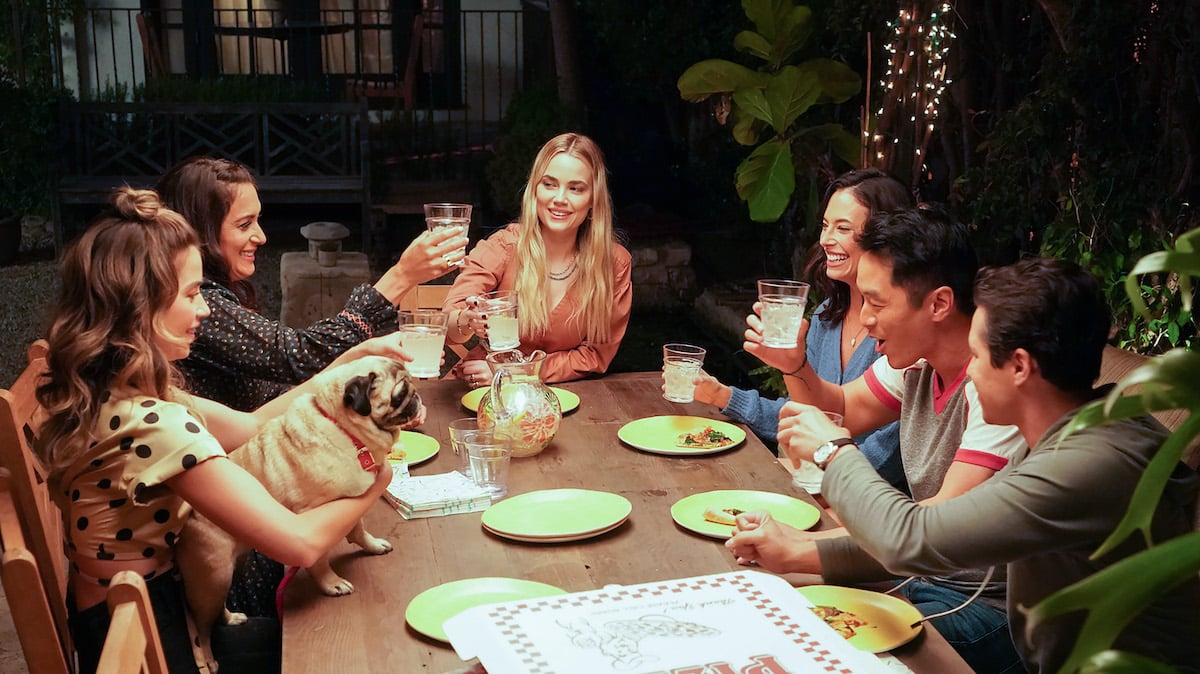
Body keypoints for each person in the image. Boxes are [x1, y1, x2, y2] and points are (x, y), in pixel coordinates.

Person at [728, 257, 1200, 673]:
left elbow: (911, 538)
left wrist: (834, 452)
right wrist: (794, 551)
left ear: (1019, 366)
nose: (969, 372)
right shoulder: (1078, 432)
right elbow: (932, 532)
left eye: (976, 356)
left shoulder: (1087, 463)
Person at [35, 188, 405, 673]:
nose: (207, 310)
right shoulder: (158, 428)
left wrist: (340, 371)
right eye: (192, 295)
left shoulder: (117, 390)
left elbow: (252, 424)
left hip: (106, 614)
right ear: (139, 307)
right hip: (148, 637)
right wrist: (375, 481)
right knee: (349, 645)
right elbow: (299, 543)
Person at [739, 206, 1028, 673]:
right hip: (914, 575)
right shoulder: (916, 363)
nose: (865, 319)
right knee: (755, 601)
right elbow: (844, 411)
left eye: (875, 302)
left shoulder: (997, 393)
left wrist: (801, 545)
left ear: (938, 304)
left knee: (803, 648)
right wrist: (793, 364)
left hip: (985, 608)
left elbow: (929, 535)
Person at [156, 155, 468, 412]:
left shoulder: (212, 295)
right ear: (200, 231)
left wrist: (364, 370)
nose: (261, 236)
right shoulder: (198, 305)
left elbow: (275, 388)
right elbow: (298, 357)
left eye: (258, 220)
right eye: (244, 224)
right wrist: (402, 275)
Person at [690, 169, 909, 490]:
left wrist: (790, 475)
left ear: (883, 237)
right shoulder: (825, 316)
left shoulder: (905, 337)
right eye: (825, 226)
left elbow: (884, 457)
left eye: (842, 228)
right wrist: (724, 395)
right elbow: (805, 412)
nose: (825, 240)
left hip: (862, 501)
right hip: (815, 480)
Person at [443, 132, 632, 385]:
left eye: (575, 188)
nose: (560, 199)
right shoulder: (505, 246)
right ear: (534, 190)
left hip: (558, 397)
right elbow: (448, 325)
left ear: (593, 200)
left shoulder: (613, 264)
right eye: (549, 184)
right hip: (478, 390)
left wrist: (514, 373)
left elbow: (594, 356)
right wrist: (467, 319)